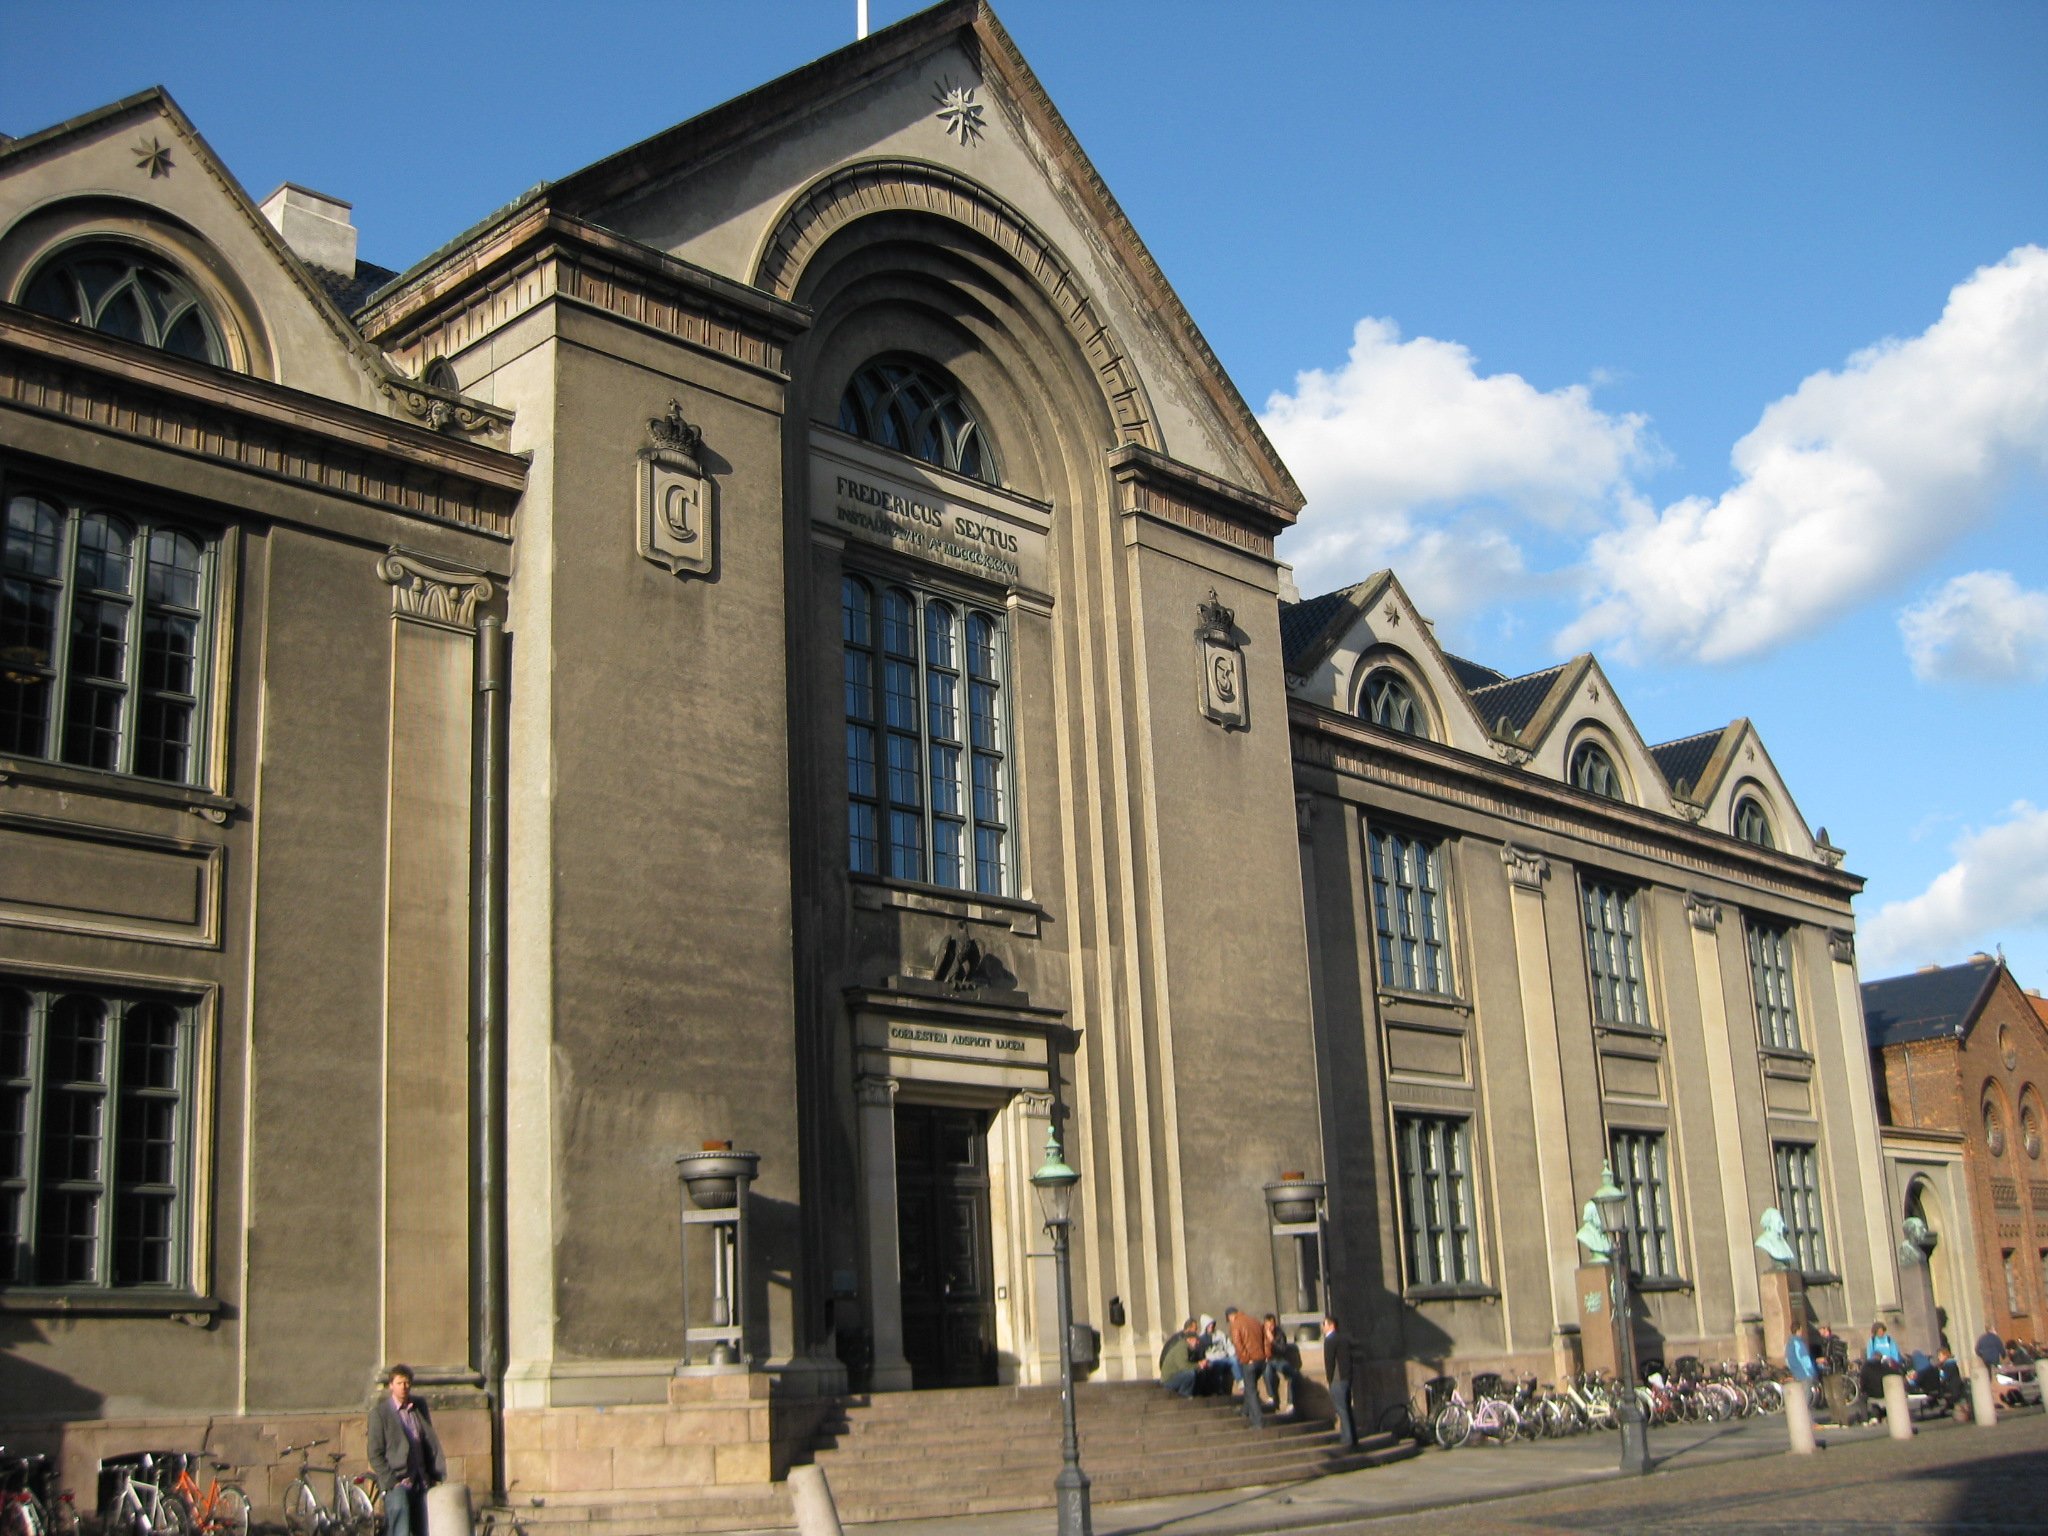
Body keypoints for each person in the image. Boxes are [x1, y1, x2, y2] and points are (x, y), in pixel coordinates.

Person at [368, 1363, 445, 1536]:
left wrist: (434, 1473)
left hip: (421, 1480)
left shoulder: (418, 1407)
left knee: (424, 1530)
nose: (404, 1387)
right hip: (398, 1483)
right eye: (399, 1383)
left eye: (407, 1383)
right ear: (391, 1386)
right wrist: (391, 1481)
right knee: (400, 1531)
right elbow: (374, 1453)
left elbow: (427, 1441)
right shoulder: (380, 1414)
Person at [1228, 1305, 1271, 1427]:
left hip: (1250, 1361)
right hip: (1261, 1360)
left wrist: (1246, 1359)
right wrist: (1266, 1355)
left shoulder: (1236, 1324)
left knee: (1251, 1390)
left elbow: (1238, 1344)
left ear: (1231, 1316)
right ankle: (1245, 1411)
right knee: (1249, 1386)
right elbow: (1266, 1340)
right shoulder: (1255, 1321)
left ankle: (1258, 1422)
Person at [1321, 1316, 1355, 1448]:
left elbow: (1329, 1362)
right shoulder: (1344, 1339)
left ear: (1331, 1325)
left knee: (1341, 1409)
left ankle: (1347, 1439)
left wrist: (1329, 1379)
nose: (1322, 1327)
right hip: (1346, 1378)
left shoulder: (1330, 1340)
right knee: (1347, 1408)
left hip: (1337, 1379)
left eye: (1324, 1324)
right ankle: (1351, 1437)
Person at [1261, 1313, 1302, 1416]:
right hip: (1266, 1360)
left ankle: (1290, 1403)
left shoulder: (1279, 1334)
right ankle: (1271, 1397)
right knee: (1267, 1372)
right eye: (1268, 1325)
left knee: (1292, 1375)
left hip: (1278, 1359)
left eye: (1272, 1325)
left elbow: (1282, 1349)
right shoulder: (1260, 1333)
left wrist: (1273, 1341)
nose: (1271, 1327)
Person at [1159, 1322, 1203, 1398]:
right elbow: (1184, 1366)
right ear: (1190, 1340)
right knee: (1190, 1374)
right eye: (1196, 1340)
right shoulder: (1182, 1348)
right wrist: (1199, 1365)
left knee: (1195, 1373)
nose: (1198, 1343)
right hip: (1168, 1380)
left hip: (1176, 1375)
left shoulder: (1187, 1348)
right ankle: (1183, 1396)